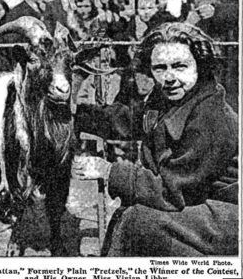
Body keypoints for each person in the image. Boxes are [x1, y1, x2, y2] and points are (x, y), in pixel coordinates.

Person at [73, 22, 238, 256]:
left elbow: (173, 192)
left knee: (138, 220)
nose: (169, 77)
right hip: (194, 205)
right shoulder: (168, 100)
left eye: (180, 66)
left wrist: (110, 171)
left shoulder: (211, 116)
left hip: (223, 216)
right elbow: (129, 120)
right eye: (160, 68)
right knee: (130, 216)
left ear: (200, 66)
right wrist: (77, 115)